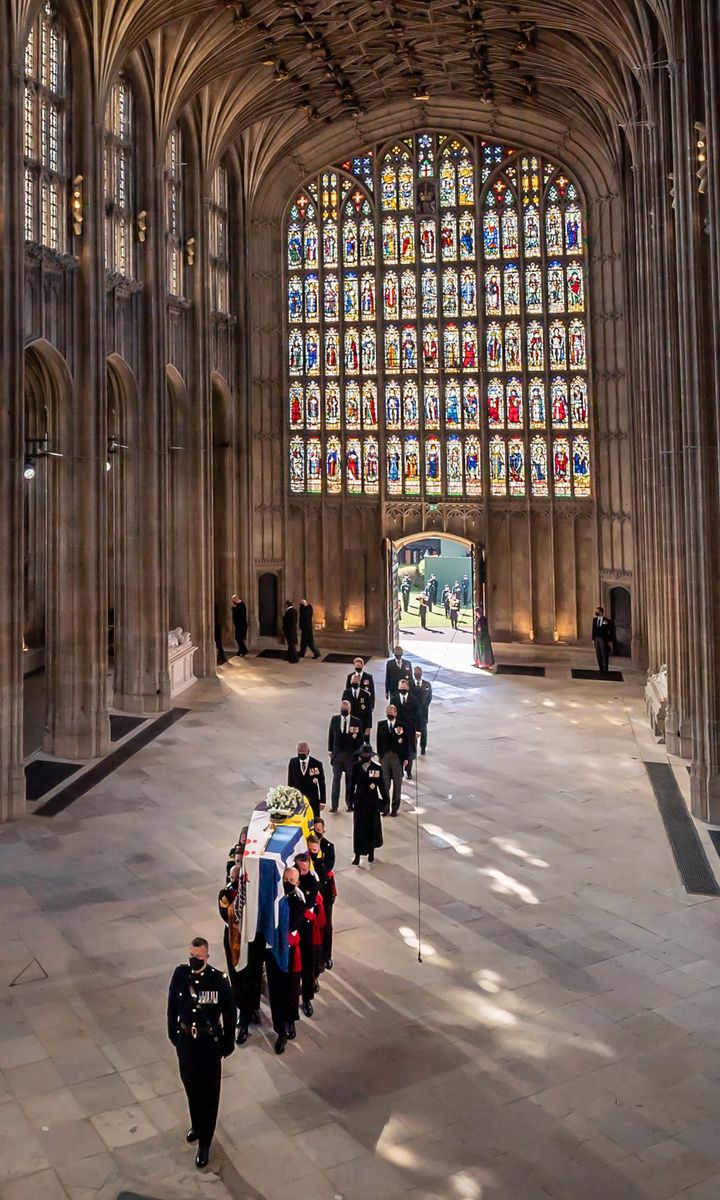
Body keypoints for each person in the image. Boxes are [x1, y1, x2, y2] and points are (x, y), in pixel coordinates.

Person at [167, 937, 236, 1169]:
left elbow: (229, 1013)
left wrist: (227, 1045)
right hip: (186, 1043)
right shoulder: (180, 975)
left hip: (208, 1047)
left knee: (208, 1095)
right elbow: (172, 1007)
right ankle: (197, 1124)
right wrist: (173, 1034)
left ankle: (205, 1143)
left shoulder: (218, 981)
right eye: (191, 956)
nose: (193, 960)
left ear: (206, 957)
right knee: (191, 1087)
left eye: (198, 957)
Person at [265, 868, 304, 1055]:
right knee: (276, 993)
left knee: (292, 989)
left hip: (290, 952)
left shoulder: (298, 900)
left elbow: (295, 923)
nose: (288, 882)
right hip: (274, 953)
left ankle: (290, 1020)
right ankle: (280, 1031)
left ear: (297, 882)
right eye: (286, 878)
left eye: (292, 880)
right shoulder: (275, 898)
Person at [294, 853, 325, 1014]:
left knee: (307, 963)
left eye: (305, 869)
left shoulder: (313, 882)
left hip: (305, 928)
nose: (302, 871)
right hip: (293, 928)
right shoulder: (291, 877)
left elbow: (309, 904)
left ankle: (307, 998)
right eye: (300, 868)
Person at [349, 743, 389, 864]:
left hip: (372, 804)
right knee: (358, 830)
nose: (364, 757)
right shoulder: (355, 767)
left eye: (367, 755)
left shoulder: (376, 769)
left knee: (371, 829)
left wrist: (386, 802)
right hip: (360, 803)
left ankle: (371, 852)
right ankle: (357, 855)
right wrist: (350, 801)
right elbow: (351, 786)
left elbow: (382, 786)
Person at [309, 818, 336, 968]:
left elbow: (325, 871)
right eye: (315, 830)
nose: (317, 833)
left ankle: (327, 955)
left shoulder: (328, 847)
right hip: (313, 892)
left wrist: (318, 857)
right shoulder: (308, 847)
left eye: (319, 830)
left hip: (325, 892)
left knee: (327, 925)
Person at [327, 700, 362, 811]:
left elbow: (360, 740)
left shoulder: (357, 722)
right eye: (342, 709)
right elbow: (331, 735)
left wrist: (359, 755)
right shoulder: (335, 719)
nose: (344, 711)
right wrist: (330, 750)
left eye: (345, 709)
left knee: (350, 780)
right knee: (336, 779)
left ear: (350, 709)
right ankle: (334, 805)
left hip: (350, 756)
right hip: (338, 755)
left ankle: (349, 804)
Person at [376, 704, 409, 816]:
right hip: (385, 757)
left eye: (392, 712)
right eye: (388, 711)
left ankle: (395, 808)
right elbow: (378, 741)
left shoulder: (401, 726)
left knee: (397, 783)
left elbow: (406, 744)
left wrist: (406, 758)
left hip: (397, 757)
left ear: (396, 713)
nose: (390, 713)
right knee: (385, 783)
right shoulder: (381, 725)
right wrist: (380, 755)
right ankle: (385, 807)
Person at [287, 741, 326, 820]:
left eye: (303, 753)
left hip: (313, 800)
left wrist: (322, 801)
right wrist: (289, 798)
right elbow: (290, 781)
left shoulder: (316, 764)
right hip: (298, 799)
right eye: (299, 753)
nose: (301, 756)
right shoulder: (293, 762)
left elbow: (322, 783)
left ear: (308, 752)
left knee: (314, 820)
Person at [392, 678, 420, 779]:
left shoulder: (413, 699)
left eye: (404, 688)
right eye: (401, 688)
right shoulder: (394, 699)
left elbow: (418, 715)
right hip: (398, 729)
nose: (402, 689)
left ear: (408, 688)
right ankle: (399, 771)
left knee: (409, 752)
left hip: (410, 730)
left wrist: (418, 730)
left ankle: (408, 771)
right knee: (398, 751)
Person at [342, 673, 374, 737]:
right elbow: (343, 707)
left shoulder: (366, 694)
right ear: (351, 681)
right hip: (350, 722)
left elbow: (369, 712)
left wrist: (368, 727)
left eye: (356, 681)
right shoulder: (346, 693)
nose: (355, 682)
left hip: (363, 723)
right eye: (353, 681)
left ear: (359, 682)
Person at [412, 665, 433, 755]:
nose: (417, 674)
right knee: (413, 731)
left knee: (423, 732)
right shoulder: (410, 684)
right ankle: (414, 747)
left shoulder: (427, 684)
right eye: (416, 672)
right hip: (413, 713)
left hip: (423, 713)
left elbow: (429, 697)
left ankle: (423, 747)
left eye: (419, 672)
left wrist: (424, 706)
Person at [592, 606, 614, 673]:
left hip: (603, 639)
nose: (596, 612)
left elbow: (610, 631)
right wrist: (593, 639)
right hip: (596, 639)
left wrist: (610, 640)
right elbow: (593, 630)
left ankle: (606, 669)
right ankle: (601, 669)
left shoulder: (607, 620)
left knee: (604, 654)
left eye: (597, 611)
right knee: (598, 654)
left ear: (601, 612)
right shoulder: (594, 620)